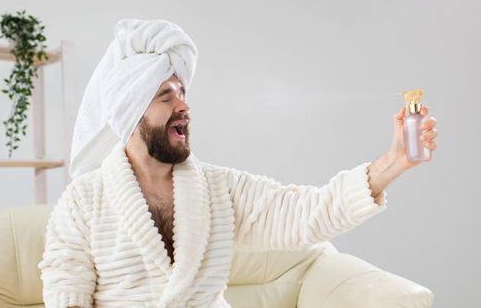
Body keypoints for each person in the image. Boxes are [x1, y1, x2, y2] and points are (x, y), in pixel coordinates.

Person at [38, 19, 438, 308]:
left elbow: (307, 213)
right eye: (166, 95)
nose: (184, 106)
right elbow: (65, 292)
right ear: (131, 113)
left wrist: (394, 161)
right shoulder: (84, 200)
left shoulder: (218, 190)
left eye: (182, 92)